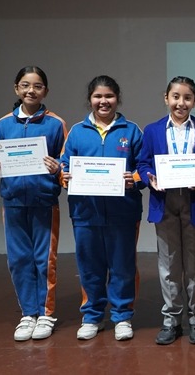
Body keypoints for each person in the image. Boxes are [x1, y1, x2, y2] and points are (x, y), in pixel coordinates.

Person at [0, 66, 67, 341]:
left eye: (37, 86)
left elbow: (65, 161)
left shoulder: (55, 124)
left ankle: (46, 313)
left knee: (45, 260)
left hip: (44, 201)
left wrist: (57, 167)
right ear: (16, 89)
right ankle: (28, 314)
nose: (31, 90)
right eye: (25, 85)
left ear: (46, 91)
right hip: (13, 202)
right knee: (19, 260)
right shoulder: (4, 124)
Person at [61, 75, 144, 341]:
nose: (103, 101)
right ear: (90, 100)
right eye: (98, 96)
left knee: (122, 266)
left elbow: (145, 167)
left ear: (117, 98)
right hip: (85, 212)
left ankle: (122, 316)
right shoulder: (77, 132)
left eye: (109, 96)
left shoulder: (131, 130)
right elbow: (64, 166)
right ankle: (92, 316)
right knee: (89, 266)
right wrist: (65, 177)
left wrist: (134, 179)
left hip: (123, 212)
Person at [137, 76, 195, 345]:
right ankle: (171, 319)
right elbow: (143, 163)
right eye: (175, 97)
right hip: (165, 202)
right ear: (166, 98)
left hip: (194, 202)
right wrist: (149, 177)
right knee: (169, 265)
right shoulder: (152, 130)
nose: (180, 103)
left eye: (187, 98)